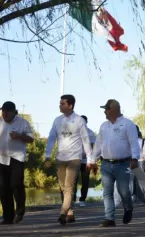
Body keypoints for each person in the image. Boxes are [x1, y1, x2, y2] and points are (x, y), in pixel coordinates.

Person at [45, 95, 94, 225]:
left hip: (74, 159)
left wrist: (89, 159)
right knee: (63, 188)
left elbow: (85, 140)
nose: (59, 105)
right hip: (60, 158)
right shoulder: (57, 120)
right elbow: (51, 138)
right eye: (60, 103)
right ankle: (70, 212)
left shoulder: (79, 121)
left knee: (69, 187)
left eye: (62, 103)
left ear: (70, 105)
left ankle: (62, 213)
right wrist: (47, 155)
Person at [91, 99, 140, 227]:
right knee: (107, 192)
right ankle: (109, 218)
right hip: (106, 164)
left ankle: (128, 208)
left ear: (114, 109)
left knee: (123, 191)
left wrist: (135, 158)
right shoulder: (103, 126)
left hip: (123, 164)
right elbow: (98, 144)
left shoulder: (128, 124)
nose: (105, 112)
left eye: (106, 109)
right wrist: (92, 160)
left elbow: (134, 143)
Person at [0, 101, 34, 224]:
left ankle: (20, 211)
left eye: (7, 111)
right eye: (3, 111)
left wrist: (19, 136)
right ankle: (7, 217)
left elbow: (31, 139)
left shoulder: (23, 123)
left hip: (17, 158)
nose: (4, 114)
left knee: (16, 185)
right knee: (2, 187)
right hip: (3, 159)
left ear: (13, 112)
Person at [74, 115, 96, 207]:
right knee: (73, 180)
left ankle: (82, 199)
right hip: (75, 159)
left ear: (86, 122)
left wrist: (88, 155)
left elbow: (92, 146)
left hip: (87, 160)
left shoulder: (90, 132)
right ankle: (72, 199)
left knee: (85, 180)